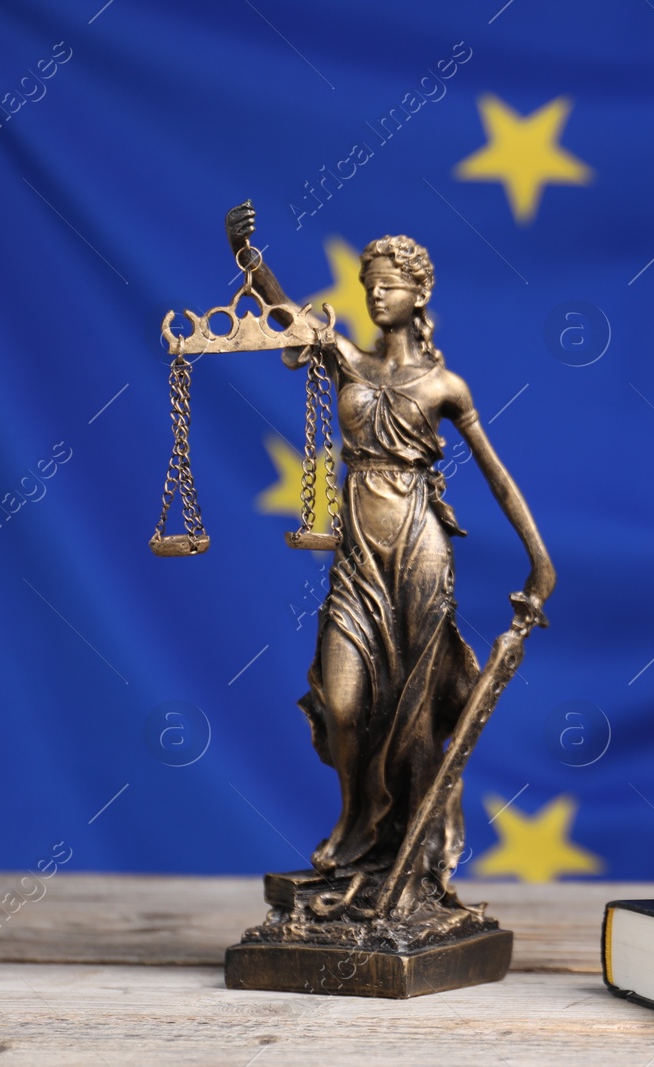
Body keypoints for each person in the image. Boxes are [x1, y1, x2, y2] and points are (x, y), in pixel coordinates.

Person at [224, 201, 555, 912]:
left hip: (418, 547)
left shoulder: (445, 385)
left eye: (390, 284)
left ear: (419, 293)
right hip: (356, 552)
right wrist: (248, 260)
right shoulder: (347, 358)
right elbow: (285, 313)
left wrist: (541, 561)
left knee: (413, 712)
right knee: (344, 702)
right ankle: (355, 825)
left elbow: (497, 473)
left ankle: (409, 855)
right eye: (369, 282)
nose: (376, 294)